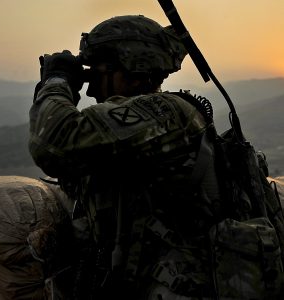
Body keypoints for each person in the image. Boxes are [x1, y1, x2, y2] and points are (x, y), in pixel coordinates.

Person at [29, 15, 284, 299]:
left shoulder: (165, 112)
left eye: (98, 75)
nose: (89, 89)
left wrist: (56, 80)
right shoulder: (137, 134)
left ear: (130, 67)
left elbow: (52, 143)